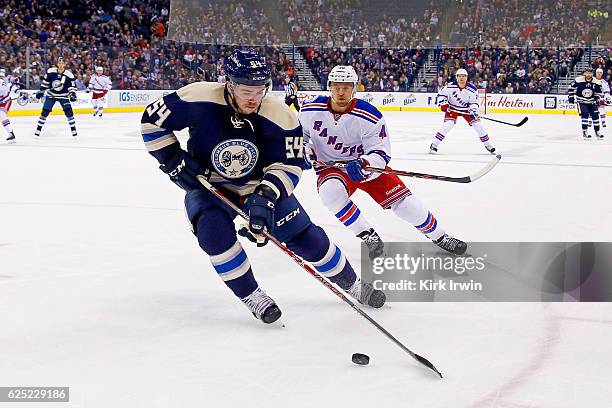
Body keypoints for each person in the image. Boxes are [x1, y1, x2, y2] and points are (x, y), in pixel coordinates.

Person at [140, 50, 385, 325]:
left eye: (260, 90)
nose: (253, 98)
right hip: (209, 185)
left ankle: (352, 284)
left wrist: (267, 195)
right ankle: (252, 294)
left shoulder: (281, 115)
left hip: (261, 184)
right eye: (246, 90)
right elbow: (151, 120)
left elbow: (290, 164)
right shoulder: (197, 97)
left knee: (308, 238)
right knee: (213, 234)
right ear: (229, 83)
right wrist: (172, 160)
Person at [298, 65, 467, 261]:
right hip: (332, 168)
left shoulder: (369, 115)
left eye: (346, 87)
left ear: (354, 88)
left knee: (406, 205)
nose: (341, 92)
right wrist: (303, 152)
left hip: (367, 168)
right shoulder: (310, 109)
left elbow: (381, 152)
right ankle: (368, 235)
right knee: (330, 193)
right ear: (329, 86)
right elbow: (298, 137)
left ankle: (440, 236)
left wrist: (365, 163)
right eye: (337, 87)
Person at [429, 69, 496, 154]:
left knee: (478, 125)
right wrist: (444, 104)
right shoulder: (449, 86)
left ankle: (488, 145)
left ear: (467, 77)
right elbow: (441, 95)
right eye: (459, 76)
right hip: (452, 108)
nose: (461, 78)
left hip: (466, 110)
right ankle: (434, 145)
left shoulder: (472, 89)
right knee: (448, 125)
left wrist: (473, 110)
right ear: (456, 77)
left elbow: (474, 102)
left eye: (463, 76)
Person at [34, 57, 78, 137]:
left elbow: (72, 87)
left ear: (64, 64)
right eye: (59, 63)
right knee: (44, 112)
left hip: (63, 96)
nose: (61, 65)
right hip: (51, 95)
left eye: (62, 63)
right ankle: (38, 129)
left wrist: (72, 94)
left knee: (69, 112)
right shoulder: (51, 72)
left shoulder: (69, 75)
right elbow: (45, 83)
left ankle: (73, 130)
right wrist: (41, 91)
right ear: (57, 64)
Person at [568, 67, 603, 139]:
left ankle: (597, 131)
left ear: (592, 74)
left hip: (591, 101)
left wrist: (597, 97)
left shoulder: (597, 82)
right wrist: (571, 97)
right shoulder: (578, 80)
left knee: (595, 116)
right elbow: (570, 87)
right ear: (584, 73)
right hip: (581, 101)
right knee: (585, 114)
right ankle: (585, 131)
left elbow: (599, 92)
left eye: (590, 73)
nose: (588, 74)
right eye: (587, 72)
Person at [0, 75, 24, 143]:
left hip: (5, 102)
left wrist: (20, 92)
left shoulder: (1, 83)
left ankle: (11, 133)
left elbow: (10, 88)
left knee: (1, 115)